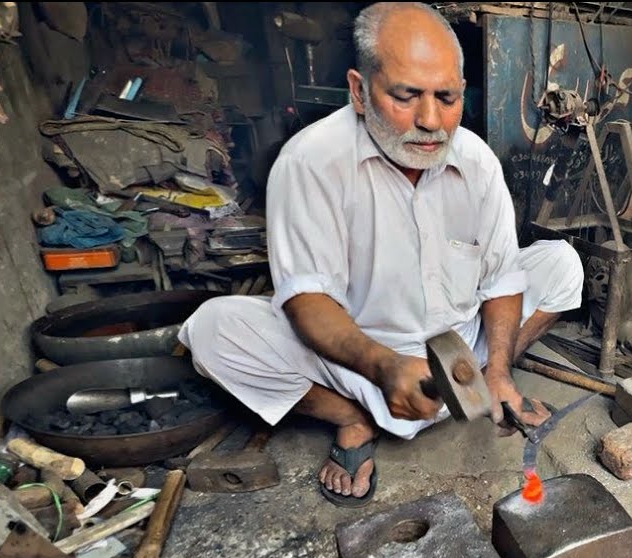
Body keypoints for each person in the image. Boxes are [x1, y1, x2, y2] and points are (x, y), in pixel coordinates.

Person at [178, 2, 583, 507]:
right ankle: (354, 419)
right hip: (360, 356)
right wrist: (382, 364)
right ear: (359, 91)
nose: (431, 120)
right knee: (213, 330)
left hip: (461, 346)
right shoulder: (310, 162)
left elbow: (501, 279)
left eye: (447, 97)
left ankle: (480, 387)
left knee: (562, 264)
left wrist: (498, 369)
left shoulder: (475, 161)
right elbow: (306, 299)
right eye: (406, 95)